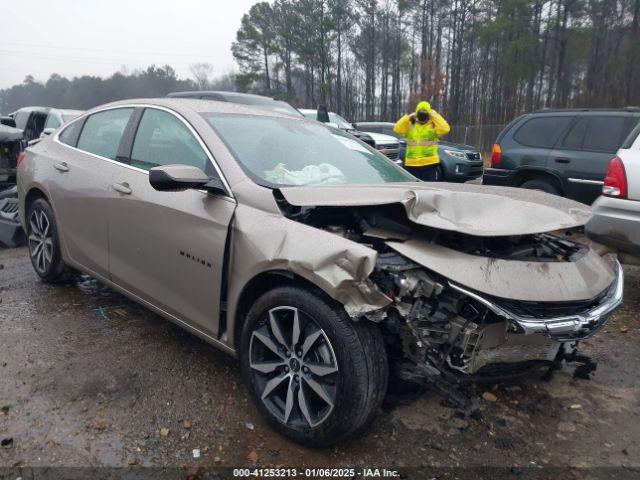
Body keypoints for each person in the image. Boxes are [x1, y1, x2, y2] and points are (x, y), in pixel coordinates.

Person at [393, 101, 450, 181]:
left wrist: (434, 115)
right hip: (412, 164)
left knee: (428, 189)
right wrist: (409, 117)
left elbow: (445, 129)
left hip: (429, 164)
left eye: (425, 114)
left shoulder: (433, 125)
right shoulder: (411, 124)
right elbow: (397, 128)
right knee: (414, 188)